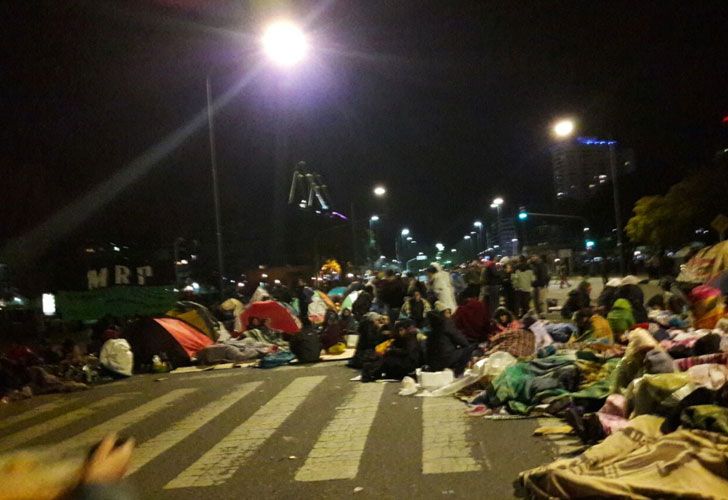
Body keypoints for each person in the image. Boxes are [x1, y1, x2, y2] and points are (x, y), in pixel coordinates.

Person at [425, 310, 472, 376]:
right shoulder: (446, 325)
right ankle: (458, 373)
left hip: (433, 363)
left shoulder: (430, 331)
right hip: (445, 359)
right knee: (468, 349)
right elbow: (462, 341)